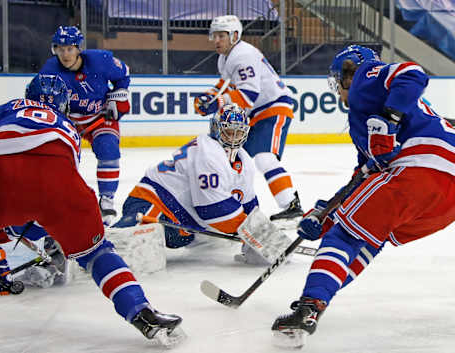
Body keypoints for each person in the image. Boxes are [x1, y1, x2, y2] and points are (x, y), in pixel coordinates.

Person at [0, 74, 184, 346]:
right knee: (97, 254)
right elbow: (44, 188)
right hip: (61, 186)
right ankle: (140, 311)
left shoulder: (10, 108)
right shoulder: (69, 126)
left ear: (28, 96)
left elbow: (12, 187)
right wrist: (52, 232)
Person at [271, 44, 455, 349]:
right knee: (370, 234)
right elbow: (363, 180)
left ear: (348, 72)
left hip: (420, 168)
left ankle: (310, 306)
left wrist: (390, 119)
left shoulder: (365, 79)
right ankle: (319, 299)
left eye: (337, 79)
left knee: (344, 237)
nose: (337, 89)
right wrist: (325, 212)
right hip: (445, 200)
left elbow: (413, 73)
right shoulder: (363, 125)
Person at [114, 104, 266, 265]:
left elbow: (249, 204)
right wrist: (251, 232)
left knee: (219, 242)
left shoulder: (244, 160)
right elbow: (213, 210)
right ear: (216, 129)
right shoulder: (208, 153)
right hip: (154, 203)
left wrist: (262, 233)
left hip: (186, 225)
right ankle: (98, 247)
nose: (234, 137)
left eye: (239, 132)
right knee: (129, 248)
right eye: (229, 131)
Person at [193, 15, 304, 224]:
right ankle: (228, 205)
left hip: (274, 107)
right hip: (257, 113)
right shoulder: (226, 57)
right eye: (214, 35)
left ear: (235, 35)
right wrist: (209, 96)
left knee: (264, 157)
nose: (216, 40)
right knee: (236, 159)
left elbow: (248, 96)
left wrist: (216, 103)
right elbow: (225, 85)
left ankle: (291, 205)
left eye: (221, 36)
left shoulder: (243, 54)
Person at [40, 26, 130, 225]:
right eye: (60, 49)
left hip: (99, 117)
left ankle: (107, 201)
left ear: (78, 48)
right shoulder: (49, 70)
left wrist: (118, 96)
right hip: (68, 121)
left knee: (109, 150)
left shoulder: (101, 60)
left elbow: (124, 75)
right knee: (60, 160)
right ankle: (64, 200)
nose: (65, 54)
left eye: (69, 49)